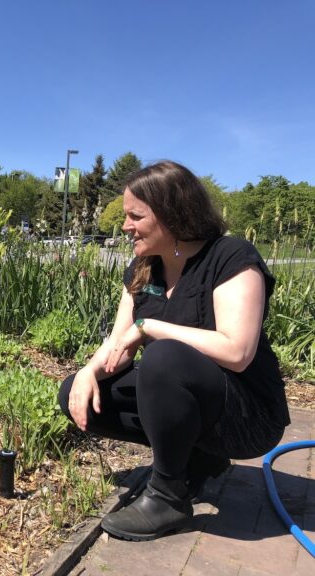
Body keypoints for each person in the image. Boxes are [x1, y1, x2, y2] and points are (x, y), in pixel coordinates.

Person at [58, 160, 289, 541]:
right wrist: (87, 372)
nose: (125, 225)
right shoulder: (142, 269)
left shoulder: (230, 257)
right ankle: (197, 457)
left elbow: (238, 351)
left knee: (165, 358)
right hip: (197, 405)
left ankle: (168, 495)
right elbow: (120, 346)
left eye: (135, 216)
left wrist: (151, 328)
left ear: (171, 214)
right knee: (77, 392)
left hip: (248, 413)